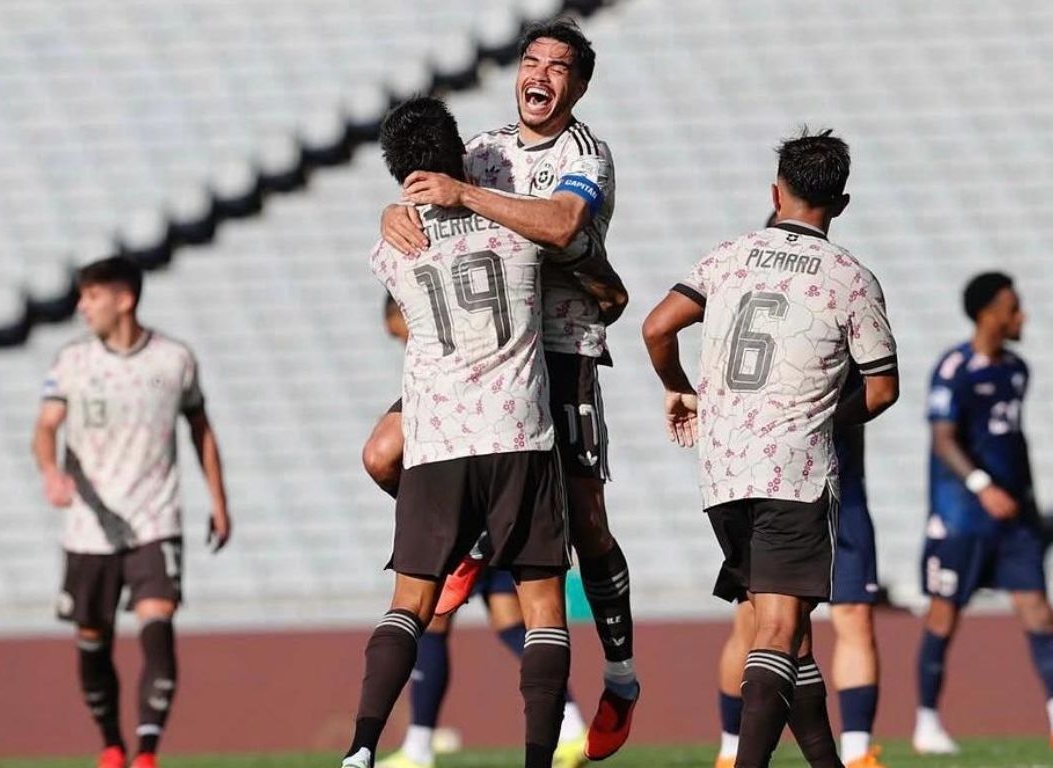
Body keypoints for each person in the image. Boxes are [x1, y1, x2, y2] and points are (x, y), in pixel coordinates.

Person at [373, 19, 640, 758]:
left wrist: (468, 195)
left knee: (587, 520)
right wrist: (397, 211)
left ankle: (620, 676)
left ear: (578, 86)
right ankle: (474, 537)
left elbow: (560, 225)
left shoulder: (585, 154)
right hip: (482, 357)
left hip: (560, 347)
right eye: (532, 61)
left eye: (559, 67)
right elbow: (427, 205)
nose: (542, 74)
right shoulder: (484, 150)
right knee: (381, 454)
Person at [642, 129, 900, 768]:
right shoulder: (851, 277)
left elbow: (655, 326)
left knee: (791, 637)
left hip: (722, 469)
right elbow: (883, 389)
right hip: (794, 471)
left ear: (775, 192)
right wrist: (822, 418)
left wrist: (680, 387)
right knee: (778, 632)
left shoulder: (729, 256)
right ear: (840, 204)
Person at [371, 295, 589, 768]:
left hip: (467, 487)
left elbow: (384, 456)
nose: (402, 343)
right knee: (514, 621)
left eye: (400, 331)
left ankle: (419, 747)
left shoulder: (445, 357)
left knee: (433, 617)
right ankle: (571, 728)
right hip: (499, 480)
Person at [31, 256, 232, 768]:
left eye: (91, 296)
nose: (82, 307)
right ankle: (111, 746)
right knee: (92, 641)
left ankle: (146, 752)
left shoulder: (172, 360)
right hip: (89, 529)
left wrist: (218, 501)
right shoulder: (73, 362)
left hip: (154, 519)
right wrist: (51, 472)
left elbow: (200, 429)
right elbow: (45, 427)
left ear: (124, 299)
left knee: (158, 623)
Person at [912, 272, 1053, 754]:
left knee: (1038, 610)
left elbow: (1013, 441)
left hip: (1014, 516)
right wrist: (982, 487)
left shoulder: (1016, 370)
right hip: (961, 516)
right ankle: (926, 723)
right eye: (1013, 308)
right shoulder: (954, 369)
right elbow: (944, 440)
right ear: (988, 314)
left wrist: (1024, 496)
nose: (1022, 316)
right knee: (944, 617)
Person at [714, 366, 888, 768]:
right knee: (762, 626)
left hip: (842, 492)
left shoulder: (835, 318)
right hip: (779, 489)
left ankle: (859, 751)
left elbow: (880, 389)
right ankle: (731, 747)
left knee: (854, 617)